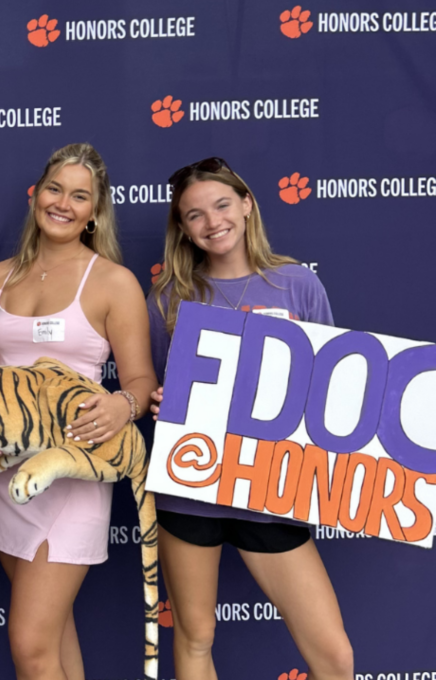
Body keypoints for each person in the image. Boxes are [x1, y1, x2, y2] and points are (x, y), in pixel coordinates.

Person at [147, 157, 354, 680]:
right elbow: (149, 386)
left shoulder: (297, 285)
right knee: (196, 637)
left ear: (246, 204)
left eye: (221, 205)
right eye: (194, 215)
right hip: (192, 485)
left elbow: (332, 389)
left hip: (273, 487)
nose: (212, 221)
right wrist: (158, 401)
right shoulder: (170, 297)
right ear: (184, 229)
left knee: (333, 654)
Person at [0, 143, 157, 680]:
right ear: (36, 195)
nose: (63, 204)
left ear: (95, 212)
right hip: (2, 477)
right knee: (52, 635)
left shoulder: (113, 281)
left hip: (73, 474)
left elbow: (141, 381)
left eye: (80, 196)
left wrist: (124, 405)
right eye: (55, 189)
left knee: (29, 645)